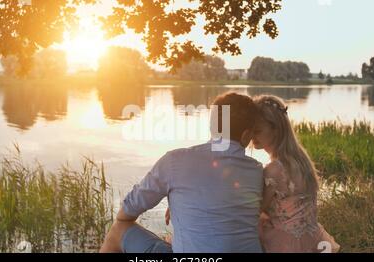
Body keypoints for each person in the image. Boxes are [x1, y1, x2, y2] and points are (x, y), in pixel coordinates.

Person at [100, 92, 264, 253]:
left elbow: (127, 212)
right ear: (246, 135)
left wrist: (176, 202)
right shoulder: (257, 171)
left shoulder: (175, 161)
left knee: (118, 230)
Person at [253, 95, 340, 253]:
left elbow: (257, 211)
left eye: (257, 130)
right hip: (312, 238)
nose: (252, 136)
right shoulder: (301, 160)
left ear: (276, 128)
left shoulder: (273, 170)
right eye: (251, 130)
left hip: (285, 243)